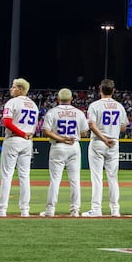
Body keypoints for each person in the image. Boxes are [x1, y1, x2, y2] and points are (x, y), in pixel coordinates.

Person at [40, 88, 89, 217]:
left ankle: (50, 210)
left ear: (58, 99)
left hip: (58, 146)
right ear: (71, 99)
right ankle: (75, 210)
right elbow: (84, 133)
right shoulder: (79, 113)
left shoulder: (52, 112)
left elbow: (46, 131)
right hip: (74, 145)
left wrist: (61, 138)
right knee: (75, 180)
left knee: (55, 180)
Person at [0, 78, 39, 217]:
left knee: (6, 175)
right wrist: (27, 134)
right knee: (24, 176)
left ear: (20, 89)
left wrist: (21, 133)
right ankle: (25, 210)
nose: (11, 89)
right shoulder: (33, 105)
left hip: (14, 139)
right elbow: (35, 126)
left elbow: (7, 123)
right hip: (27, 141)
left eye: (13, 87)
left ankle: (2, 210)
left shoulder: (12, 102)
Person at [84, 78, 127, 217]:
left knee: (97, 177)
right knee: (113, 177)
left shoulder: (95, 105)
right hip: (113, 142)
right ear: (113, 90)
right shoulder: (119, 106)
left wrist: (104, 138)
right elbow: (124, 127)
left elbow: (91, 125)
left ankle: (96, 209)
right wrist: (111, 132)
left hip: (98, 142)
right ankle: (115, 209)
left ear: (100, 89)